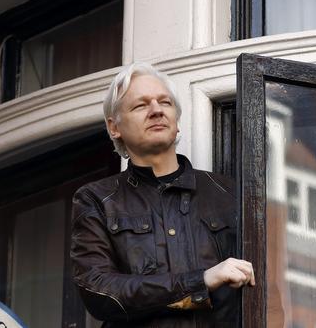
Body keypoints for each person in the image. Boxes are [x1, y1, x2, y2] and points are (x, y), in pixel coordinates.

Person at [70, 62, 255, 327]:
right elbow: (99, 292)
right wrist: (200, 281)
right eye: (140, 105)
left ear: (177, 121)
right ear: (114, 128)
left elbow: (269, 289)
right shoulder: (96, 199)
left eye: (164, 102)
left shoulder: (230, 193)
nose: (156, 110)